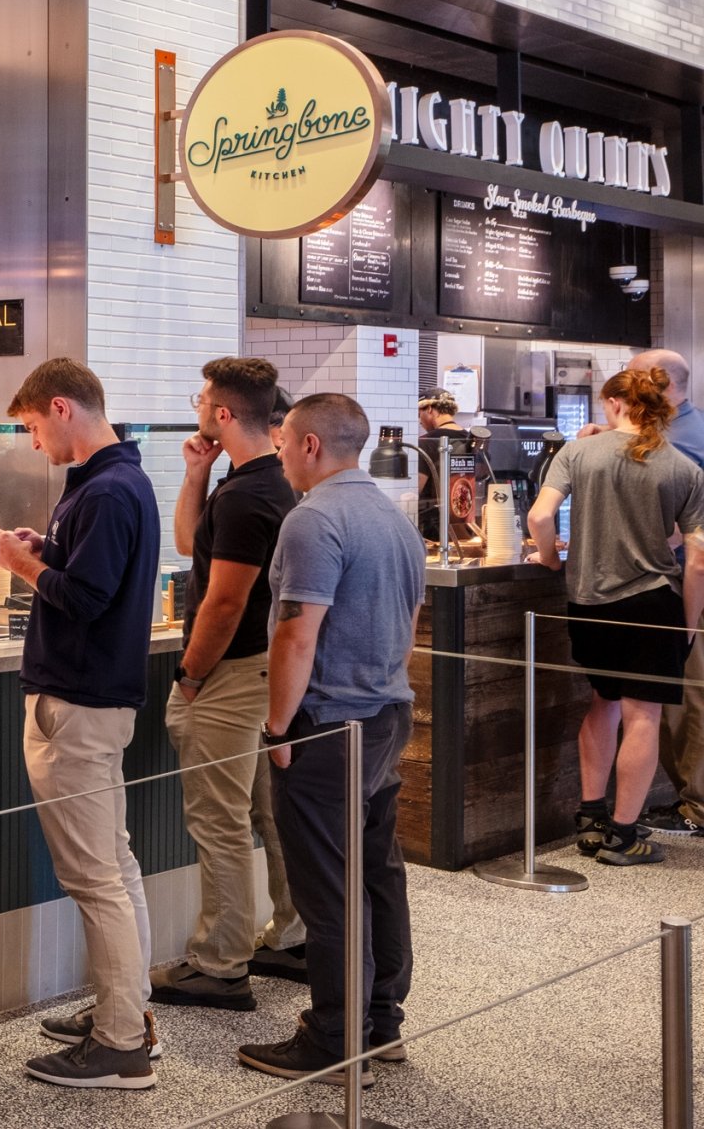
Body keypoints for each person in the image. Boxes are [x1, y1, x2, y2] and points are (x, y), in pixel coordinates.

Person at [242, 392, 424, 1082]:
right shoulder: (392, 515)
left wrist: (279, 726)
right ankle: (381, 1025)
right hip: (384, 715)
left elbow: (296, 633)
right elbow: (407, 620)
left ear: (310, 444)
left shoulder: (312, 519)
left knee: (329, 889)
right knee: (376, 871)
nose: (280, 451)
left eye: (285, 440)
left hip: (326, 724)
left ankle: (336, 1041)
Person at [0, 357, 159, 1090]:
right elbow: (94, 573)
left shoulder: (110, 488)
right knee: (114, 868)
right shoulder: (109, 482)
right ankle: (129, 1013)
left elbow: (87, 598)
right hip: (97, 701)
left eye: (33, 426)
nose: (34, 443)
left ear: (61, 408)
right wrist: (50, 550)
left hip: (80, 707)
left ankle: (121, 1042)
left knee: (95, 877)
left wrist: (22, 565)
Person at [155, 356, 304, 1009]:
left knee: (219, 820)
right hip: (264, 669)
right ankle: (294, 933)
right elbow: (192, 541)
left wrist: (190, 673)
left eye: (201, 397)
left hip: (231, 672)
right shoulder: (256, 482)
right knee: (269, 812)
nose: (197, 405)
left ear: (222, 411)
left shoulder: (248, 497)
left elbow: (222, 602)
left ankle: (220, 962)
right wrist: (195, 473)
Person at [528, 364, 704, 867]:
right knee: (643, 717)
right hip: (652, 603)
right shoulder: (682, 467)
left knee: (602, 703)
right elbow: (697, 559)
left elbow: (540, 517)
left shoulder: (579, 452)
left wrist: (549, 557)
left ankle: (590, 819)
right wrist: (689, 625)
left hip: (587, 604)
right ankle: (624, 838)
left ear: (614, 403)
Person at [634, 350, 704, 836]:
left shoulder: (676, 444)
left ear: (659, 387)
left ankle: (696, 805)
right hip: (685, 576)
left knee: (686, 696)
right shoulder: (693, 427)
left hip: (687, 583)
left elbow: (683, 531)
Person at [412, 388, 476, 546]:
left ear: (429, 409)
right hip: (467, 524)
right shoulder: (471, 439)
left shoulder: (428, 442)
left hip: (433, 530)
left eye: (419, 414)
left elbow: (416, 489)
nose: (420, 421)